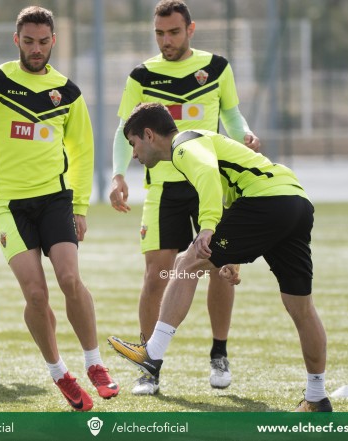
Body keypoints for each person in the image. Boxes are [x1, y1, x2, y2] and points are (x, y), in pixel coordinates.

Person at [0, 6, 119, 412]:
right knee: (36, 294)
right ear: (16, 40)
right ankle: (60, 373)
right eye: (29, 41)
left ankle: (95, 363)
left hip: (55, 200)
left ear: (53, 41)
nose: (37, 49)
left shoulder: (67, 92)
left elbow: (82, 153)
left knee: (70, 279)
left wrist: (81, 205)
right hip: (8, 207)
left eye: (44, 42)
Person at [108, 102, 331, 412]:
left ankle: (152, 355)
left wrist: (207, 226)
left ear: (149, 135)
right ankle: (317, 396)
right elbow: (234, 198)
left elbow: (208, 175)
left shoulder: (184, 145)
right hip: (295, 202)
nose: (133, 153)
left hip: (266, 201)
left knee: (188, 261)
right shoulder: (202, 142)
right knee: (301, 307)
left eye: (133, 143)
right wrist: (229, 256)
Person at [109, 0, 260, 395]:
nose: (166, 40)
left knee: (219, 267)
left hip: (209, 182)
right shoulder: (141, 74)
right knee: (156, 275)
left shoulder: (218, 68)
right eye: (159, 33)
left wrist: (244, 133)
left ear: (190, 30)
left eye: (173, 32)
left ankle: (219, 352)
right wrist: (118, 173)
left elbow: (232, 114)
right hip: (161, 189)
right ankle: (148, 366)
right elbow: (123, 130)